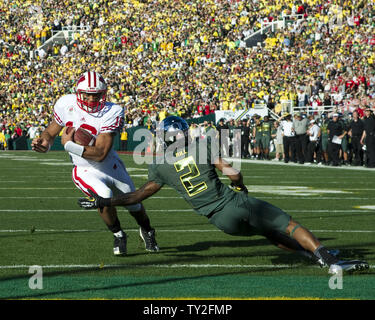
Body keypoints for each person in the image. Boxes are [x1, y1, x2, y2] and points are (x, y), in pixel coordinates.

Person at [78, 116, 369, 274]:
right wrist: (240, 186)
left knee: (269, 233)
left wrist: (103, 201)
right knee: (287, 224)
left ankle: (314, 256)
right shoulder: (201, 147)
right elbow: (233, 173)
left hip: (220, 222)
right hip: (232, 202)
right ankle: (329, 262)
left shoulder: (159, 166)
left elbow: (135, 197)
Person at [31, 71, 159, 256]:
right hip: (84, 169)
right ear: (78, 93)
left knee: (134, 204)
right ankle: (118, 234)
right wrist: (44, 141)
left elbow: (100, 154)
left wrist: (68, 145)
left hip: (109, 165)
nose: (91, 99)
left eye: (96, 94)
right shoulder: (66, 103)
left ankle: (147, 229)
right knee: (104, 197)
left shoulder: (113, 111)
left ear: (103, 94)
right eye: (87, 94)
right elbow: (51, 131)